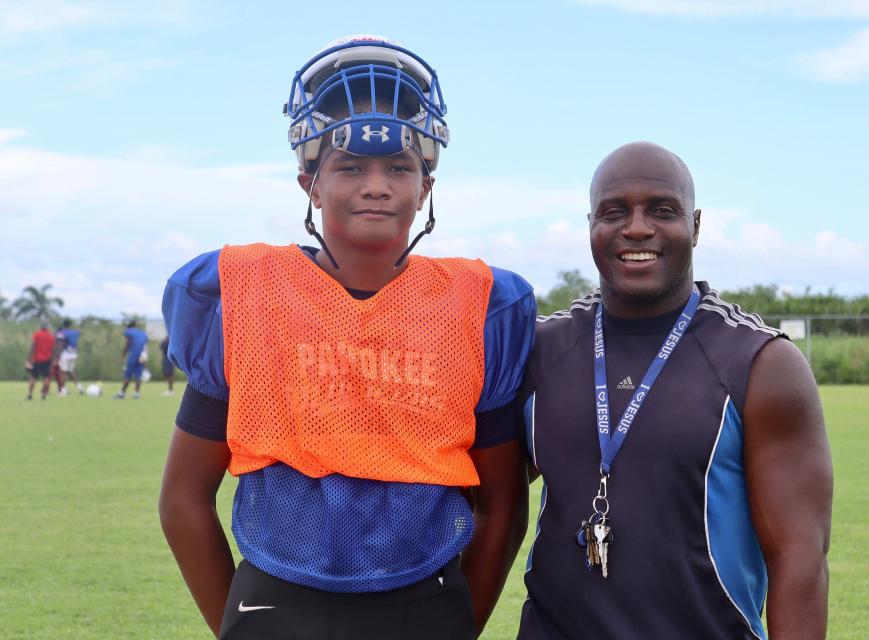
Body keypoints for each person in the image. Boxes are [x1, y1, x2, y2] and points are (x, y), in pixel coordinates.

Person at [159, 36, 535, 640]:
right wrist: (239, 620)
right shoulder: (242, 290)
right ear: (309, 182)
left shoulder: (483, 303)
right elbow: (182, 498)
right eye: (351, 167)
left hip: (427, 596)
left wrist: (461, 624)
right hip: (277, 593)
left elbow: (503, 504)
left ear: (426, 187)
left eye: (398, 168)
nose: (377, 186)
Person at [517, 142, 833, 639]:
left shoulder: (760, 362)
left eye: (662, 211)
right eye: (614, 211)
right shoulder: (539, 351)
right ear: (591, 225)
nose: (637, 228)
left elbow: (799, 559)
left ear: (697, 225)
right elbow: (482, 503)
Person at [115, 319, 148, 399]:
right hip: (142, 356)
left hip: (134, 355)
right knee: (138, 376)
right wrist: (145, 357)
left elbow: (128, 343)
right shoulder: (143, 333)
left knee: (127, 375)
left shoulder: (128, 332)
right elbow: (145, 346)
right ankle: (136, 394)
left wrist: (123, 356)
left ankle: (122, 393)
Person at [26, 319, 56, 400]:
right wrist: (54, 359)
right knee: (46, 377)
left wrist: (28, 358)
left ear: (40, 326)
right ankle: (43, 394)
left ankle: (29, 395)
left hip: (36, 359)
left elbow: (33, 346)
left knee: (33, 377)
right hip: (47, 359)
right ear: (47, 327)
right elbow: (53, 349)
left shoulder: (36, 334)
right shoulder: (51, 336)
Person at [53, 318, 82, 395]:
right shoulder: (75, 332)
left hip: (65, 353)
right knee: (71, 370)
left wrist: (56, 356)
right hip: (74, 353)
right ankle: (79, 387)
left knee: (62, 372)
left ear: (63, 324)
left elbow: (61, 344)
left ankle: (63, 390)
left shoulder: (62, 333)